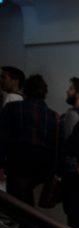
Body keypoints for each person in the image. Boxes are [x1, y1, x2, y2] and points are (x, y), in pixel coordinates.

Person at [0, 74, 58, 207]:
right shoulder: (54, 116)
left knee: (17, 203)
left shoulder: (12, 108)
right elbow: (58, 145)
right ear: (44, 93)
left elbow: (2, 137)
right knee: (24, 198)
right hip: (42, 167)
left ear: (25, 90)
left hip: (17, 161)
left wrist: (1, 163)